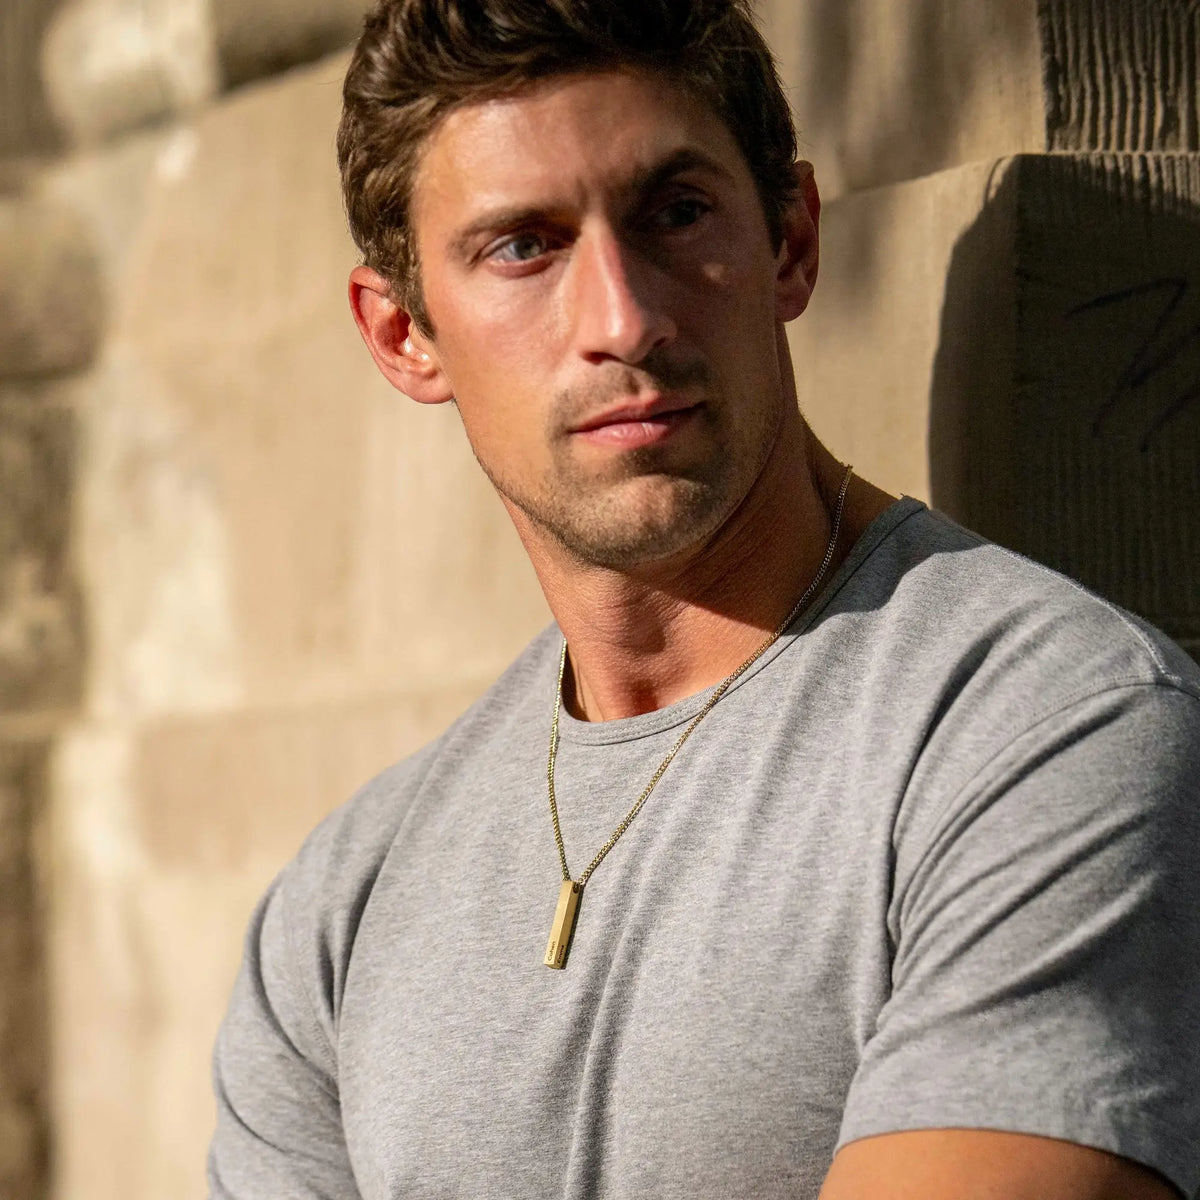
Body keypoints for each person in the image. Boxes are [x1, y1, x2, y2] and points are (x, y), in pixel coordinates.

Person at [207, 1, 1200, 1197]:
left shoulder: (1048, 730)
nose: (624, 320)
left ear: (791, 240)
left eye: (675, 213)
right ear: (403, 334)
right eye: (524, 247)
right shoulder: (342, 904)